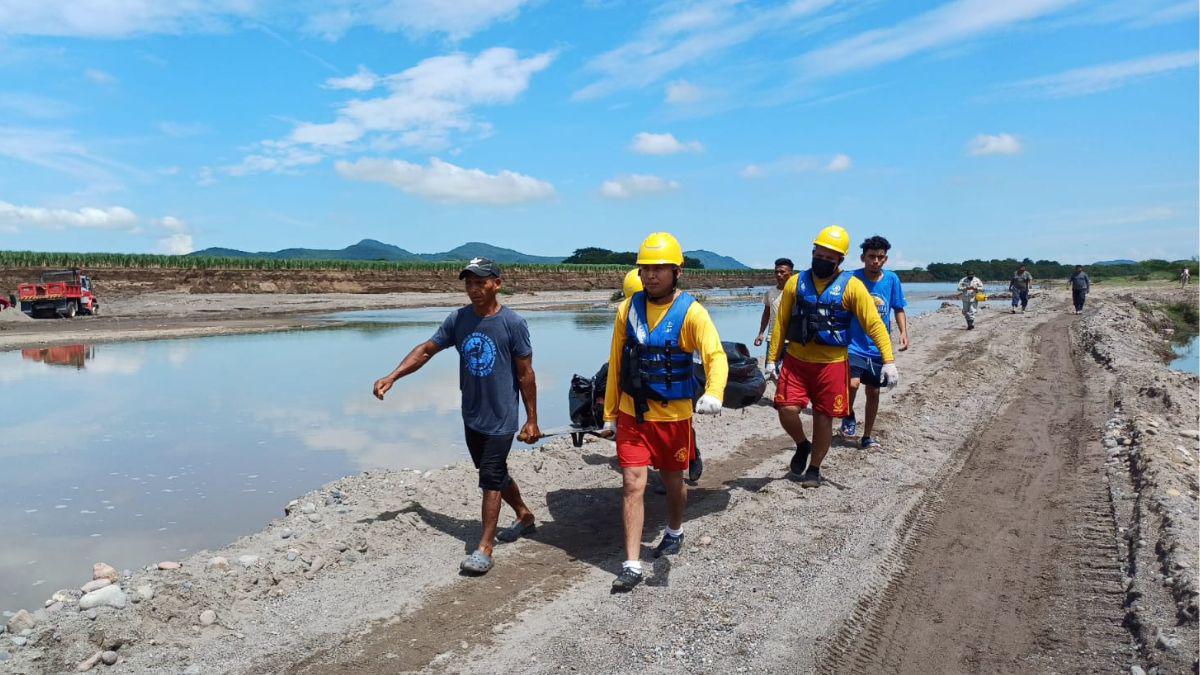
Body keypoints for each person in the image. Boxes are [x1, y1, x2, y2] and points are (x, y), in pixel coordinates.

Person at [372, 257, 541, 576]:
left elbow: (526, 373)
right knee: (493, 472)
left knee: (490, 475)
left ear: (497, 284)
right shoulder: (459, 320)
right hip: (472, 414)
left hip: (502, 414)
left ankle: (485, 548)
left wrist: (531, 419)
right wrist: (393, 376)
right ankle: (524, 515)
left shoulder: (513, 323)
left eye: (481, 282)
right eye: (469, 283)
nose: (474, 289)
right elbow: (426, 350)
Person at [600, 233, 728, 592]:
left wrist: (714, 392)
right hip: (633, 415)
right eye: (645, 269)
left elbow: (715, 356)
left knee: (675, 483)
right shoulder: (627, 310)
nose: (651, 275)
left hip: (673, 418)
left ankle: (675, 529)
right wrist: (610, 415)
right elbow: (615, 366)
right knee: (632, 484)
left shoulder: (692, 312)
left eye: (658, 268)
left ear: (676, 270)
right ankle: (632, 563)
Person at [767, 225, 898, 488]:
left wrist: (889, 361)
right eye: (820, 254)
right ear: (813, 251)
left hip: (833, 363)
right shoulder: (795, 282)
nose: (823, 260)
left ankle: (814, 469)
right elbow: (781, 323)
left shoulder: (852, 287)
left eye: (830, 257)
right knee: (786, 409)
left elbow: (874, 324)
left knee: (823, 417)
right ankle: (802, 445)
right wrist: (771, 359)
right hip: (796, 360)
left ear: (840, 259)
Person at [622, 268, 704, 484]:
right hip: (646, 387)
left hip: (683, 378)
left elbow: (708, 353)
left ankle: (691, 456)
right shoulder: (631, 312)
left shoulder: (686, 313)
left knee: (684, 422)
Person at [840, 236, 909, 449]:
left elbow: (898, 307)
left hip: (879, 345)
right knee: (852, 384)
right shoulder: (851, 278)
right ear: (863, 257)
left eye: (880, 257)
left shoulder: (892, 280)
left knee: (874, 391)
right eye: (871, 257)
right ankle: (848, 415)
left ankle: (867, 436)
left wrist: (903, 332)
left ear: (885, 259)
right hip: (854, 344)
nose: (875, 261)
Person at [754, 258, 794, 381]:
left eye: (782, 272)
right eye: (776, 272)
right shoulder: (770, 292)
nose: (779, 275)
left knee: (789, 371)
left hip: (791, 339)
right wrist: (761, 333)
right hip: (772, 338)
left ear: (790, 273)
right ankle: (779, 397)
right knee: (770, 370)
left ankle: (784, 397)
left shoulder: (795, 292)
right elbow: (766, 313)